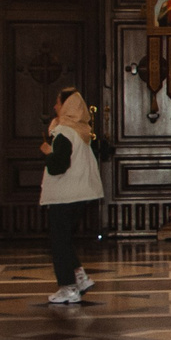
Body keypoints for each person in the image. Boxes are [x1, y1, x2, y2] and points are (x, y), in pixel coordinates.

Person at [39, 88, 109, 305]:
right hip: (81, 194)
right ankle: (80, 277)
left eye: (58, 103)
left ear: (66, 106)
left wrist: (47, 152)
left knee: (59, 243)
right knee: (65, 240)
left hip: (64, 195)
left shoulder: (63, 133)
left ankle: (68, 287)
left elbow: (58, 166)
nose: (55, 107)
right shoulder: (82, 131)